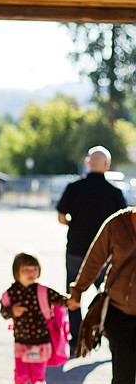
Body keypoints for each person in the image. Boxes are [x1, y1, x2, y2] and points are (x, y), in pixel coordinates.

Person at [68, 208, 136, 384]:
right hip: (118, 311)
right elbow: (94, 259)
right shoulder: (117, 224)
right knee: (123, 372)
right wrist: (78, 290)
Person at [57, 146, 126, 353]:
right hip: (105, 254)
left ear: (88, 163)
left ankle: (76, 337)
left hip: (76, 249)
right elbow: (122, 225)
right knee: (106, 294)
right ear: (107, 165)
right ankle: (107, 332)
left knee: (74, 291)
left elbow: (61, 217)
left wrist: (75, 224)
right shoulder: (115, 193)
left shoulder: (73, 188)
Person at [0, 252, 68, 384]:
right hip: (21, 343)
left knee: (38, 378)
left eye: (34, 269)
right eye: (26, 269)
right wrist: (12, 311)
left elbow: (63, 300)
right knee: (20, 377)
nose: (31, 272)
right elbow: (3, 311)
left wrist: (75, 297)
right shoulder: (10, 294)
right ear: (17, 272)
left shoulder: (43, 291)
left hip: (42, 343)